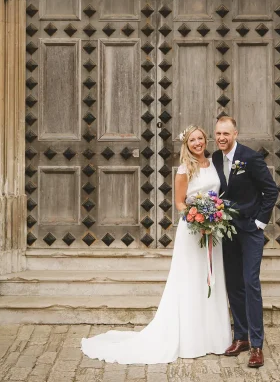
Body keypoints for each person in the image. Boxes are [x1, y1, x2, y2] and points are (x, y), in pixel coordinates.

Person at [81, 124, 232, 364]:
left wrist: (214, 215)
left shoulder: (214, 163)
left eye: (200, 139)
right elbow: (180, 203)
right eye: (192, 140)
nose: (197, 143)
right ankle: (191, 339)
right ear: (187, 144)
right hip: (193, 232)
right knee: (191, 280)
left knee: (210, 279)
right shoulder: (185, 169)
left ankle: (213, 338)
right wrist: (197, 216)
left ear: (206, 140)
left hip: (213, 232)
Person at [212, 115, 279, 368]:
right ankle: (241, 337)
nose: (221, 138)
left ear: (235, 134)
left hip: (250, 231)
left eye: (226, 134)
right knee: (234, 284)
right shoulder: (216, 158)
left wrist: (260, 223)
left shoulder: (250, 157)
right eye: (218, 134)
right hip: (227, 231)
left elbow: (270, 191)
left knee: (251, 283)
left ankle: (257, 344)